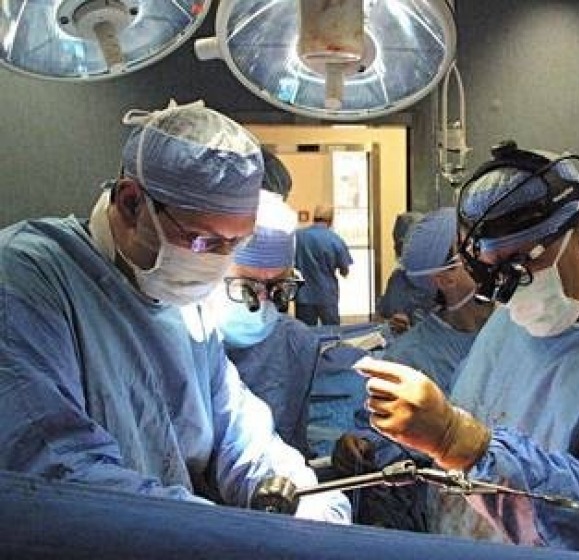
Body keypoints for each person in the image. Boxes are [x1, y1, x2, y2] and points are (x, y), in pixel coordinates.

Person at [351, 141, 579, 557]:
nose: (508, 291)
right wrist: (402, 441)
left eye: (520, 264)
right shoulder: (508, 325)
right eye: (492, 271)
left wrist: (460, 442)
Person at [0, 100, 350, 523]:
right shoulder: (27, 278)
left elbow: (238, 430)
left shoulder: (188, 306)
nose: (217, 261)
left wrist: (303, 496)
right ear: (131, 203)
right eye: (203, 241)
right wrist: (220, 533)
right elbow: (59, 471)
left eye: (236, 244)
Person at [332, 207, 495, 531]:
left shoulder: (518, 330)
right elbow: (379, 439)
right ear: (445, 277)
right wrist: (363, 445)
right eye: (475, 248)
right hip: (457, 514)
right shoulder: (409, 357)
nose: (491, 255)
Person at [206, 189, 317, 456]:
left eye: (278, 287)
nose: (262, 301)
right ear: (213, 272)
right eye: (247, 286)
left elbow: (293, 443)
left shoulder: (297, 343)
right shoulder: (183, 337)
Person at [294, 204, 353, 326]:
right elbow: (344, 271)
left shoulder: (298, 236)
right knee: (332, 332)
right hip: (327, 295)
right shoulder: (335, 239)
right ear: (330, 220)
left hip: (303, 295)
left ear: (314, 218)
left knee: (305, 332)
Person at [375, 211, 432, 335]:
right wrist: (390, 323)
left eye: (403, 245)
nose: (397, 249)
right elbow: (382, 315)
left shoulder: (437, 281)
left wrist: (411, 328)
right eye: (397, 245)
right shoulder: (397, 278)